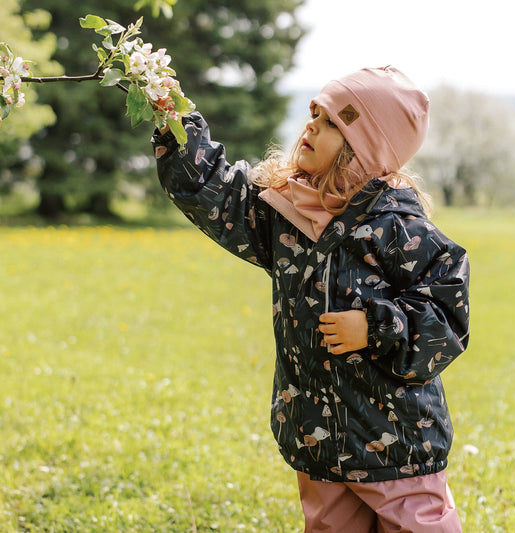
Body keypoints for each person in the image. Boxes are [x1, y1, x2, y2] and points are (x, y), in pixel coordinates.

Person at [151, 66, 469, 532]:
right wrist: (177, 122)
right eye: (312, 114)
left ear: (364, 150)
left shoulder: (398, 227)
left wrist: (375, 326)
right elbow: (215, 192)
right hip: (317, 436)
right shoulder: (286, 210)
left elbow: (446, 314)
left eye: (330, 124)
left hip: (398, 444)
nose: (310, 128)